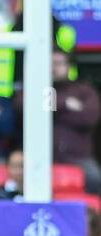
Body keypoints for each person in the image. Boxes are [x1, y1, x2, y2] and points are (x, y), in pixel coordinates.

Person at [52, 49, 100, 193]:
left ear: (69, 66)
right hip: (39, 159)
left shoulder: (84, 91)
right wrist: (65, 104)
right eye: (50, 63)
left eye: (59, 63)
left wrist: (53, 110)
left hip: (78, 158)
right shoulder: (37, 88)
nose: (54, 68)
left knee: (96, 178)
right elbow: (22, 107)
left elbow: (89, 118)